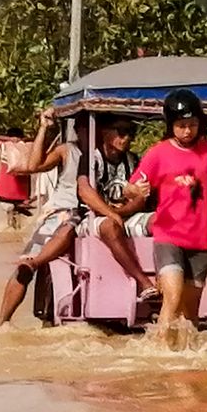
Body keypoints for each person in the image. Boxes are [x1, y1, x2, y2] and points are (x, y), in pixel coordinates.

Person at [128, 89, 207, 331]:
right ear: (171, 125)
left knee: (191, 314)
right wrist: (136, 190)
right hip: (168, 237)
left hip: (201, 242)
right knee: (172, 298)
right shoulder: (158, 153)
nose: (188, 131)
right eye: (181, 126)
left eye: (192, 125)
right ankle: (160, 349)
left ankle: (185, 353)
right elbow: (131, 187)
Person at [0, 108, 81, 333]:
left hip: (88, 212)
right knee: (25, 266)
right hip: (61, 212)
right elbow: (32, 166)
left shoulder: (122, 158)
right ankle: (2, 322)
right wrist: (43, 128)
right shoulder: (67, 151)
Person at [76, 114, 157, 300]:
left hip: (125, 215)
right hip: (91, 218)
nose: (126, 138)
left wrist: (119, 212)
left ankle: (169, 276)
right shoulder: (90, 159)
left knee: (160, 220)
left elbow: (141, 198)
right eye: (121, 132)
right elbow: (84, 191)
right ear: (105, 133)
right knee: (109, 226)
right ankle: (143, 282)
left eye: (131, 132)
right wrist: (111, 214)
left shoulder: (133, 160)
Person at [0, 127, 33, 229]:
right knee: (18, 219)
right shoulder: (26, 146)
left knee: (10, 215)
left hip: (5, 189)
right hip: (21, 192)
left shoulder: (3, 146)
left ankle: (11, 231)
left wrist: (9, 139)